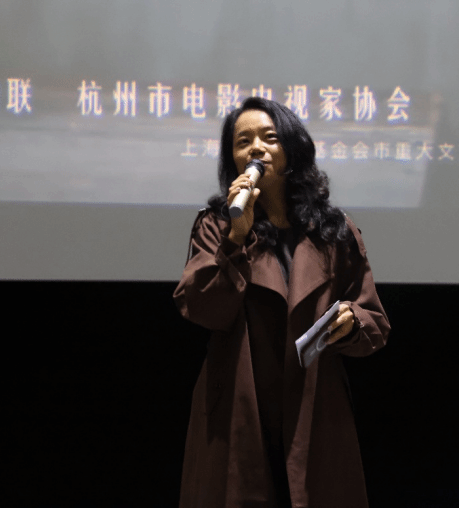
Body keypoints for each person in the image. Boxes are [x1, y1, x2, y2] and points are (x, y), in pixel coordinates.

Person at [173, 97, 390, 508]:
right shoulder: (216, 226)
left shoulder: (333, 230)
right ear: (232, 158)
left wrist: (352, 322)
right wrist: (236, 236)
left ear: (292, 148)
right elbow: (202, 309)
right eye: (243, 142)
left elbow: (375, 323)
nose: (256, 148)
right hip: (241, 403)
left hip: (314, 403)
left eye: (269, 138)